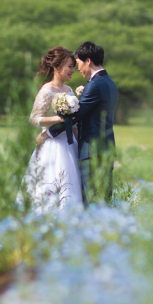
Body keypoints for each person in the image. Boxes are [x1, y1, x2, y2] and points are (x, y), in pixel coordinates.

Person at [54, 40, 118, 204]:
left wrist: (49, 132)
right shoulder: (110, 83)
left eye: (78, 63)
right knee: (104, 199)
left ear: (88, 61)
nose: (77, 69)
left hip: (92, 151)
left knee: (91, 201)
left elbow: (76, 115)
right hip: (107, 148)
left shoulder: (95, 85)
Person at [23, 46, 82, 211]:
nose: (72, 70)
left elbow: (74, 122)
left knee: (70, 183)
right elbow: (34, 119)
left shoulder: (69, 91)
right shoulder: (46, 90)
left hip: (69, 144)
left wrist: (79, 141)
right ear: (56, 67)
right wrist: (59, 119)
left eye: (73, 67)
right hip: (51, 144)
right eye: (69, 66)